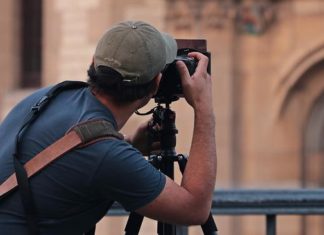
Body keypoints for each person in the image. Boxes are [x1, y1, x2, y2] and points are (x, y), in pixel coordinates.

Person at [0, 20, 216, 234]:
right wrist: (203, 108)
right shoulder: (106, 155)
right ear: (156, 84)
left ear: (94, 63)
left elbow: (76, 160)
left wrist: (129, 145)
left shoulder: (49, 96)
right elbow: (194, 209)